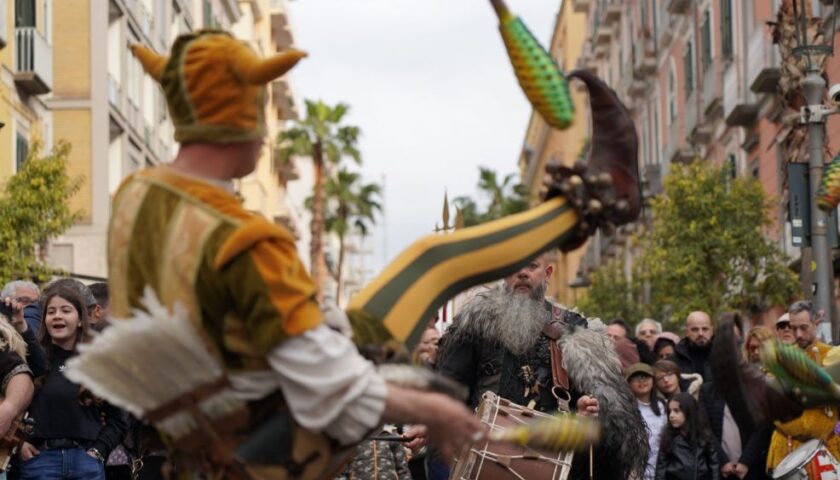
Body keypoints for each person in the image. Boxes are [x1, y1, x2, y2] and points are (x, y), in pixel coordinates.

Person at [107, 31, 484, 478]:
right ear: (240, 116)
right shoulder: (246, 241)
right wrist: (435, 407)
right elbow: (331, 386)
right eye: (260, 109)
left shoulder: (135, 197)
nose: (266, 135)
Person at [436, 253, 647, 480]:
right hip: (484, 464)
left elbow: (607, 415)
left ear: (547, 273)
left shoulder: (574, 327)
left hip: (555, 465)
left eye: (532, 266)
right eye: (514, 266)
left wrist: (583, 408)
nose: (523, 273)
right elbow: (449, 389)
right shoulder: (475, 323)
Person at [18, 286, 129, 480]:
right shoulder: (32, 360)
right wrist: (18, 443)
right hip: (39, 463)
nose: (57, 316)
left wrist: (98, 451)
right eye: (51, 312)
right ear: (44, 320)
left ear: (80, 320)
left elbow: (119, 419)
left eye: (66, 310)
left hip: (85, 463)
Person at [765, 300, 840, 473]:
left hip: (826, 449)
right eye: (793, 327)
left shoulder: (833, 355)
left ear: (817, 323)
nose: (798, 334)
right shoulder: (781, 360)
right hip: (788, 449)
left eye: (804, 327)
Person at [656, 392, 720, 480]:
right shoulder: (668, 437)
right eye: (669, 411)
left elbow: (714, 465)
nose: (671, 415)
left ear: (689, 411)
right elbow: (660, 469)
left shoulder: (704, 435)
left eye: (676, 411)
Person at [627, 363, 667, 480]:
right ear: (628, 383)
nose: (642, 381)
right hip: (636, 472)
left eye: (646, 376)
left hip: (663, 469)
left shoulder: (664, 406)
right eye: (636, 377)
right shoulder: (626, 409)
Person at [671, 311, 715, 382]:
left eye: (705, 329)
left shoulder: (723, 355)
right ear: (687, 332)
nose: (700, 333)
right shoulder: (675, 360)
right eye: (695, 329)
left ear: (712, 331)